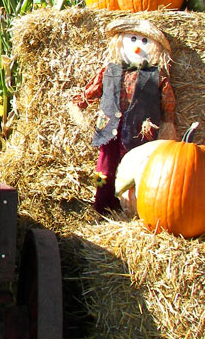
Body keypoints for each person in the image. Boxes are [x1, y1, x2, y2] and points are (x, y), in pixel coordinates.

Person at [73, 18, 177, 214]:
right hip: (109, 128)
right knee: (104, 169)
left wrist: (168, 123)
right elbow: (92, 91)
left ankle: (133, 209)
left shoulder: (157, 76)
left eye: (144, 41)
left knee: (137, 170)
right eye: (133, 39)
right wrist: (79, 104)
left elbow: (167, 101)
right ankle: (101, 204)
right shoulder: (109, 70)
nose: (138, 46)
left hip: (140, 132)